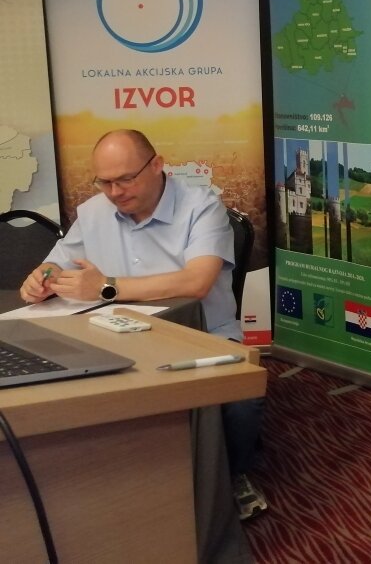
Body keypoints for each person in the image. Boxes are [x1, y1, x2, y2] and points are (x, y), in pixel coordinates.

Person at [18, 128, 268, 521]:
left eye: (125, 179)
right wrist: (41, 278)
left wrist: (106, 287)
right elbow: (57, 263)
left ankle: (234, 475)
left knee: (241, 400)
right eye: (105, 182)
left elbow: (197, 282)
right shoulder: (94, 212)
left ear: (157, 166)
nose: (115, 192)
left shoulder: (201, 206)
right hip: (120, 338)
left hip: (202, 335)